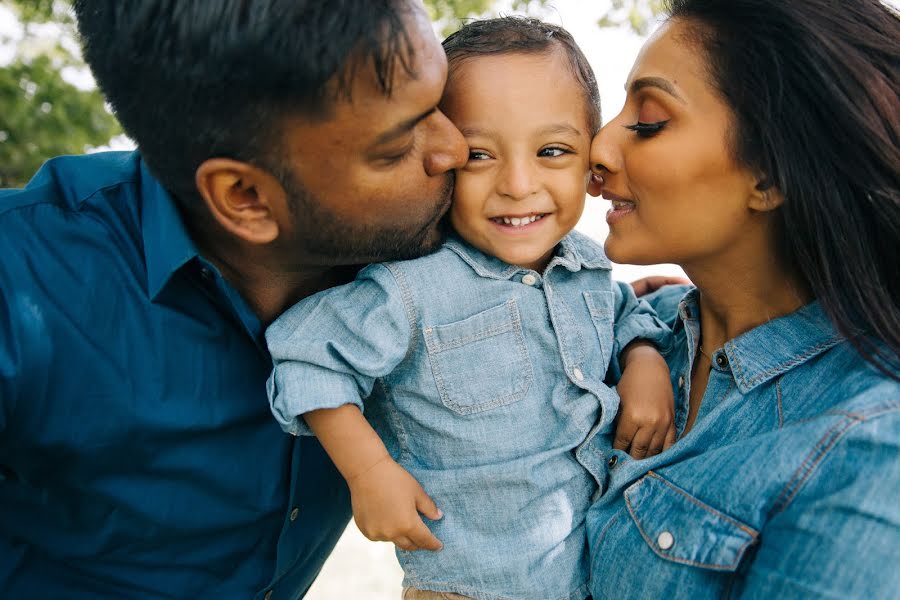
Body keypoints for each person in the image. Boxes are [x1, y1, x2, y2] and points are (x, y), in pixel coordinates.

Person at [0, 1, 472, 597]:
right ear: (245, 196)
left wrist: (634, 346)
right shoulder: (19, 284)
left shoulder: (431, 247)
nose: (454, 149)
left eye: (441, 103)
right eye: (398, 145)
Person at [265, 18, 674, 600]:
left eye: (552, 150)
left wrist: (644, 362)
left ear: (592, 164)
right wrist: (369, 471)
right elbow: (307, 354)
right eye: (480, 155)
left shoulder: (588, 265)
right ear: (441, 157)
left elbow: (624, 312)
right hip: (467, 587)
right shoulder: (413, 290)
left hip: (593, 579)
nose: (517, 183)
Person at [584, 0, 900, 597]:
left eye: (648, 122)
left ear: (769, 176)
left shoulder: (869, 444)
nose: (596, 150)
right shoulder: (627, 330)